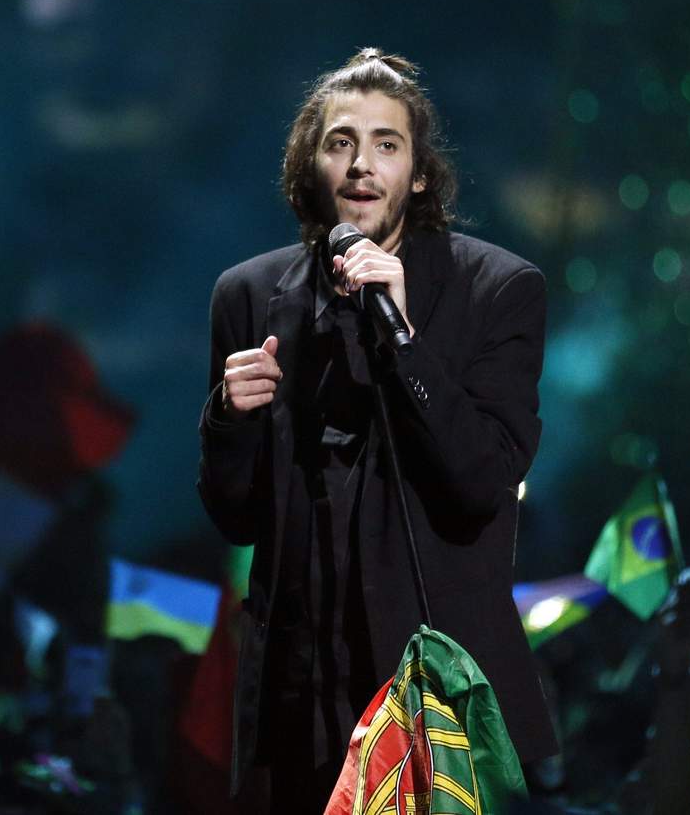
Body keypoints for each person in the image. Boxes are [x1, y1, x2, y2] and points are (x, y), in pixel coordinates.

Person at [197, 48, 557, 811]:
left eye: (386, 144)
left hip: (434, 707)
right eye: (341, 143)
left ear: (418, 173)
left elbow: (479, 481)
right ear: (311, 166)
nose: (362, 164)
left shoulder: (497, 290)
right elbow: (236, 518)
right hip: (300, 706)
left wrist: (404, 339)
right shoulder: (248, 296)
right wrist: (229, 418)